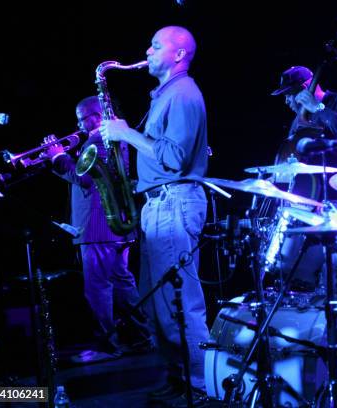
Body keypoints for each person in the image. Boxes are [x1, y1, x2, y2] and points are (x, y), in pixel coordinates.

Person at [100, 26, 210, 407]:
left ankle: (200, 384)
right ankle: (177, 376)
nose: (146, 50)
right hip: (158, 204)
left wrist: (126, 134)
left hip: (174, 203)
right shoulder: (165, 95)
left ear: (179, 55)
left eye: (156, 45)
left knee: (181, 303)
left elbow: (174, 159)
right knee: (156, 304)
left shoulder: (182, 94)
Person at [42, 96, 152, 363]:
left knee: (97, 289)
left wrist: (58, 157)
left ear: (96, 115)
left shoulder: (100, 139)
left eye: (81, 118)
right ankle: (142, 338)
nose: (78, 124)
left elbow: (85, 180)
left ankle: (108, 345)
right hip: (113, 227)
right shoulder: (111, 138)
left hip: (98, 228)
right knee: (122, 285)